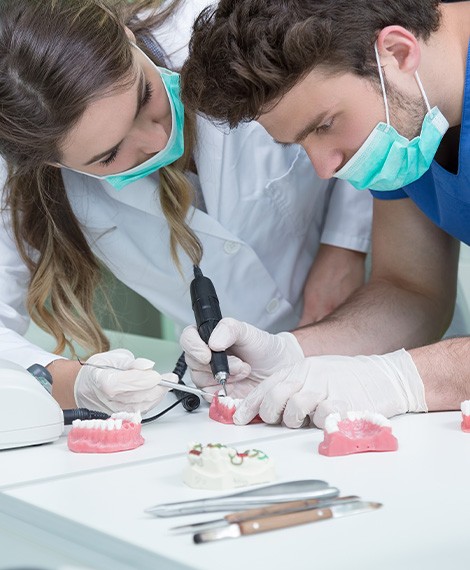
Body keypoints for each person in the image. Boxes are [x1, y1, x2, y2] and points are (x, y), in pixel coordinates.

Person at [0, 0, 372, 414]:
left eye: (145, 97)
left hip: (376, 315)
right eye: (108, 155)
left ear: (128, 39)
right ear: (52, 162)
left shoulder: (232, 26)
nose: (156, 139)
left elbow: (369, 87)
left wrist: (345, 243)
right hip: (240, 388)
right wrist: (75, 381)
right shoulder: (18, 180)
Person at [179, 0, 470, 427]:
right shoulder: (406, 120)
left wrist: (400, 379)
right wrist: (291, 354)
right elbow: (412, 290)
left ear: (398, 52)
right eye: (300, 143)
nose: (325, 167)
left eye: (324, 125)